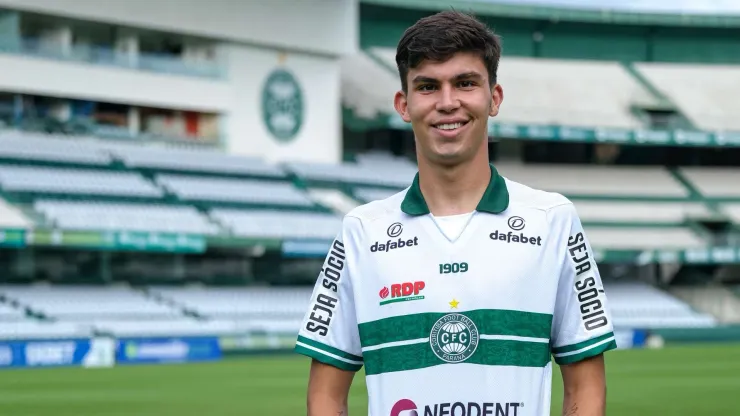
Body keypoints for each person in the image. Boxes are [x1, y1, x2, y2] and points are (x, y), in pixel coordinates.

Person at [294, 10, 616, 416]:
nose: (448, 103)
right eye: (428, 86)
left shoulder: (552, 220)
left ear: (493, 98)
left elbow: (586, 388)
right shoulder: (362, 231)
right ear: (404, 104)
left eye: (465, 83)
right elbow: (325, 395)